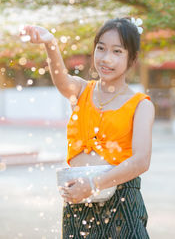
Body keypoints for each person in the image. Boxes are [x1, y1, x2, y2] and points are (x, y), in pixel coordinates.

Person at [21, 17, 155, 238]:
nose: (106, 58)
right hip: (78, 200)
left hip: (121, 203)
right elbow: (62, 80)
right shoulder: (83, 91)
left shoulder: (141, 105)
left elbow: (141, 161)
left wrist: (93, 184)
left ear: (132, 59)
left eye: (117, 51)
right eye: (100, 48)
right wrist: (50, 43)